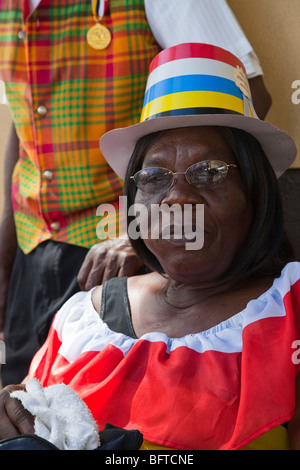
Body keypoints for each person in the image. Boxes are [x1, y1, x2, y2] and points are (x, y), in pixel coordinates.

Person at [0, 43, 298, 450]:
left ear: (255, 192)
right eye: (154, 177)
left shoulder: (290, 310)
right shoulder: (80, 319)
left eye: (209, 172)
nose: (175, 199)